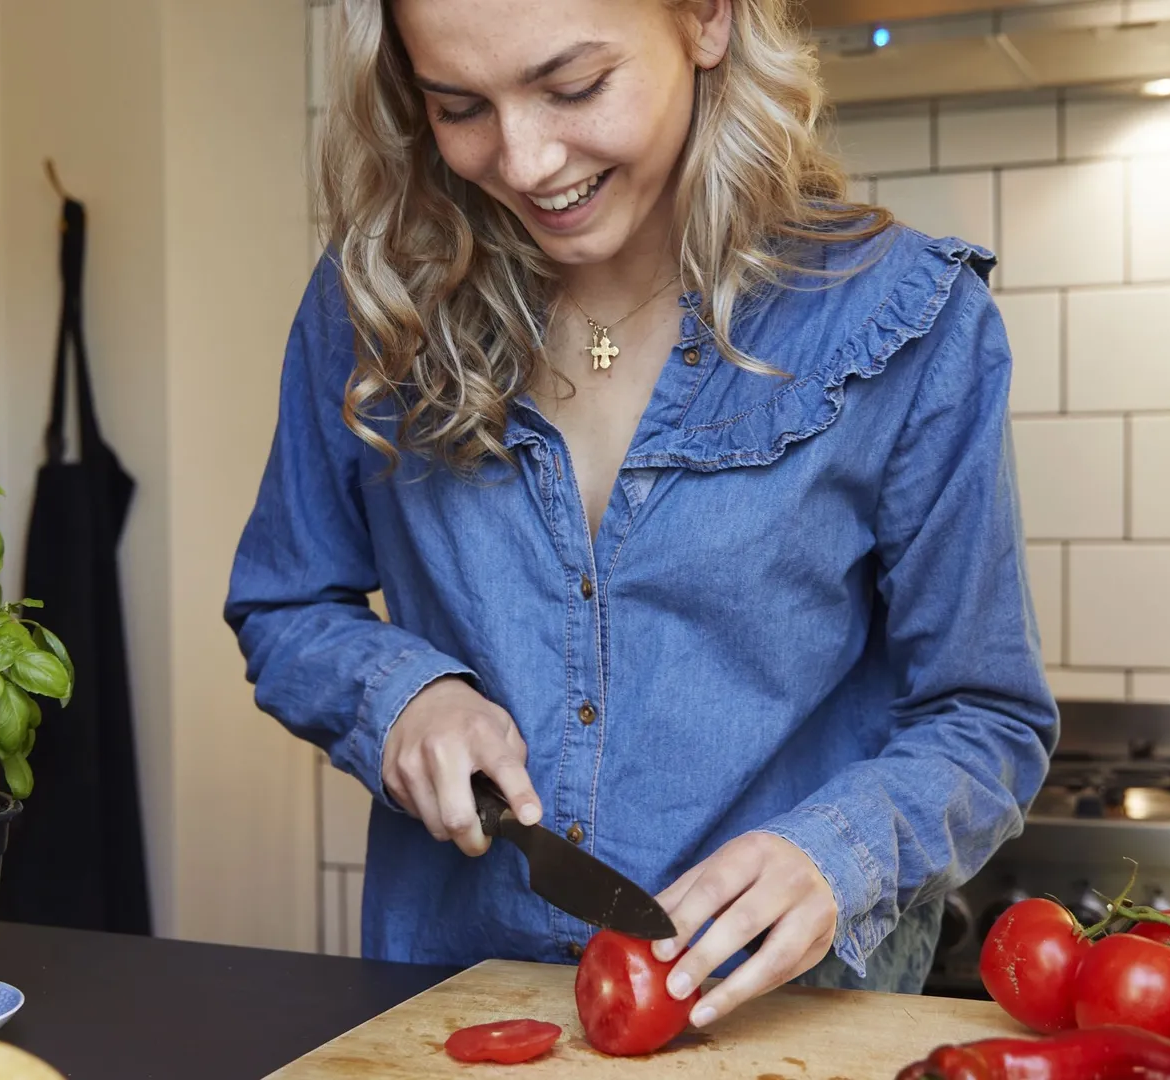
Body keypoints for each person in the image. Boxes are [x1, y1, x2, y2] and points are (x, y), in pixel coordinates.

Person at [224, 0, 1058, 1030]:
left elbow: (987, 719)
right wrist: (402, 695)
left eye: (573, 86)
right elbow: (285, 601)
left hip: (785, 1027)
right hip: (454, 1011)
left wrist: (835, 855)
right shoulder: (374, 307)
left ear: (705, 19)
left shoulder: (905, 323)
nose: (525, 161)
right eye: (459, 106)